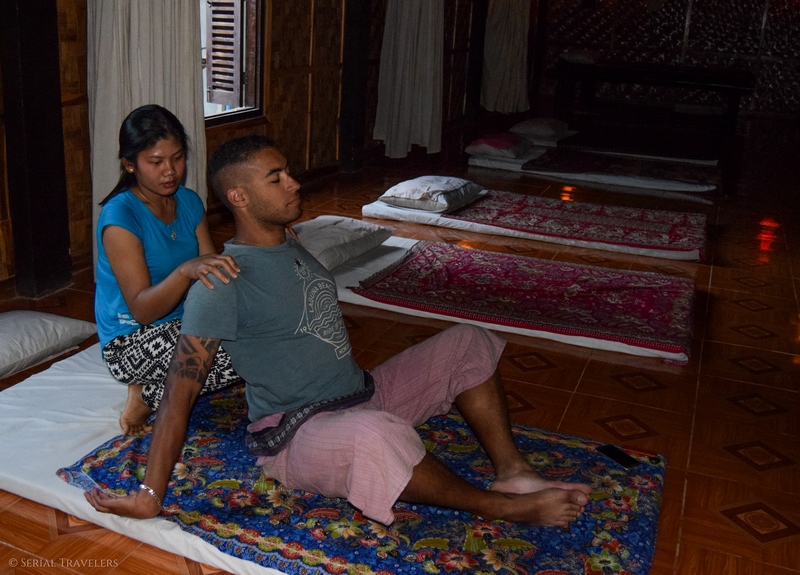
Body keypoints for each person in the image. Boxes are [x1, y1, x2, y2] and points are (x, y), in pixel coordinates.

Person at [85, 135, 591, 527]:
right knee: (376, 436)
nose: (294, 183)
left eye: (287, 172)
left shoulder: (290, 241)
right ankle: (501, 507)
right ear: (239, 196)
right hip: (298, 434)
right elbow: (178, 397)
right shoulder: (221, 284)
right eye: (276, 178)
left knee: (468, 341)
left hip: (362, 394)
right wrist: (149, 496)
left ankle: (512, 472)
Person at [94, 105, 241, 436]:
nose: (170, 171)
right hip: (131, 341)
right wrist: (185, 271)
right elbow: (143, 310)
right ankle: (146, 396)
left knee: (261, 330)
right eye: (156, 162)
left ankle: (155, 386)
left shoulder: (188, 201)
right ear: (129, 164)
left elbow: (213, 276)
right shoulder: (121, 217)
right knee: (240, 354)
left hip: (183, 322)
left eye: (177, 158)